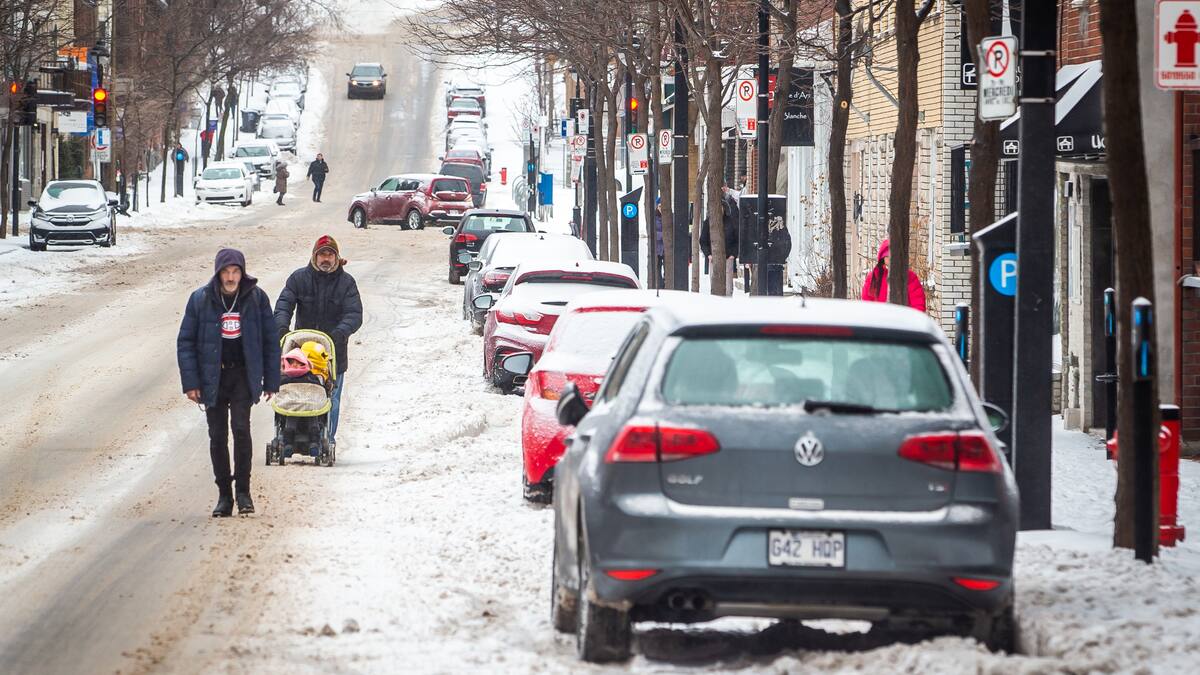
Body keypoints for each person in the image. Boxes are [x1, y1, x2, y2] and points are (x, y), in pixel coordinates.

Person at [177, 248, 281, 517]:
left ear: (242, 274)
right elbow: (186, 342)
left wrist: (271, 381)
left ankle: (243, 493)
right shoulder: (200, 300)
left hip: (242, 375)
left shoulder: (256, 299)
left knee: (241, 430)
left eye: (236, 272)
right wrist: (191, 383)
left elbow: (271, 341)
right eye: (226, 272)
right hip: (213, 375)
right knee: (217, 436)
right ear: (218, 273)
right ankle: (224, 495)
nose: (231, 277)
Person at [274, 235, 363, 450]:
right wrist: (282, 329)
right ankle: (287, 434)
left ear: (337, 257)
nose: (326, 258)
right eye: (322, 254)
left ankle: (326, 438)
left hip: (332, 352)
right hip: (300, 353)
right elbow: (284, 305)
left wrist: (340, 333)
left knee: (330, 397)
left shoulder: (346, 283)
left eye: (330, 254)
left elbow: (354, 314)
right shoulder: (298, 279)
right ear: (314, 256)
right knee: (294, 392)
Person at [861, 239, 927, 312]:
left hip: (902, 321)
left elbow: (918, 303)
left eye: (893, 255)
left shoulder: (910, 277)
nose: (891, 259)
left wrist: (912, 320)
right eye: (887, 256)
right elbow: (866, 302)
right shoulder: (874, 276)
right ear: (883, 258)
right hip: (878, 320)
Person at [700, 183, 740, 295]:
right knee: (715, 285)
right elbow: (703, 241)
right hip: (714, 258)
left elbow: (737, 240)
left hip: (728, 258)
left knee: (728, 288)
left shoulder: (730, 222)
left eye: (721, 208)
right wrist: (708, 254)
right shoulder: (708, 223)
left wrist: (733, 255)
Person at [653, 198, 665, 289]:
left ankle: (665, 285)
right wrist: (662, 235)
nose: (661, 208)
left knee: (667, 268)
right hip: (657, 248)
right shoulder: (654, 217)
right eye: (660, 206)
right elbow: (652, 232)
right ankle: (659, 286)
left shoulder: (670, 216)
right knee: (657, 269)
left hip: (666, 249)